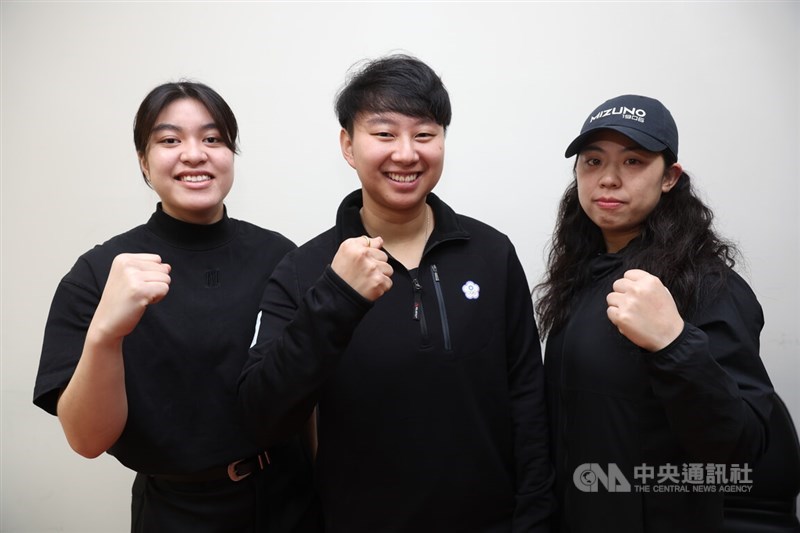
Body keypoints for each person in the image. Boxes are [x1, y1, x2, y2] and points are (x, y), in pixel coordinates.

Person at [238, 54, 555, 532]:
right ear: (348, 145)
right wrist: (337, 298)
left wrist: (534, 518)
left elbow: (528, 396)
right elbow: (261, 414)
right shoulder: (305, 270)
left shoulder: (491, 253)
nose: (406, 153)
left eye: (424, 134)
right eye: (384, 134)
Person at [33, 81, 319, 532]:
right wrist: (106, 334)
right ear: (144, 162)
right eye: (170, 140)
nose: (194, 154)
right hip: (177, 512)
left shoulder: (280, 256)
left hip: (290, 501)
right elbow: (87, 440)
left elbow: (310, 396)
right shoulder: (100, 272)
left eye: (213, 139)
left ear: (231, 154)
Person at [535, 94, 775, 532]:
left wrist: (675, 344)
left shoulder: (706, 286)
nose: (608, 178)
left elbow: (744, 447)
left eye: (633, 161)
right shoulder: (580, 276)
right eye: (593, 161)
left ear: (669, 177)